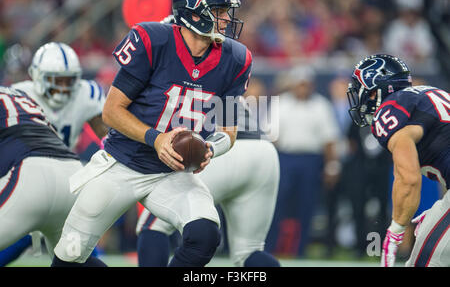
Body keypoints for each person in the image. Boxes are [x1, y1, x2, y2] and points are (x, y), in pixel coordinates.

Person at [51, 0, 252, 267]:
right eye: (219, 11)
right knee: (69, 255)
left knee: (205, 233)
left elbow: (229, 129)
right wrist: (156, 139)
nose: (226, 18)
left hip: (172, 173)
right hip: (123, 163)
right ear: (194, 14)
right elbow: (111, 112)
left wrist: (209, 148)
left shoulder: (235, 59)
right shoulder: (153, 40)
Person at [136, 97, 281, 267]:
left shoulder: (181, 73)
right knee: (249, 251)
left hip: (217, 148)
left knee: (154, 227)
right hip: (262, 150)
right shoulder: (228, 73)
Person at [0, 42, 108, 266]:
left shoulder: (17, 94)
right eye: (56, 79)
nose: (62, 87)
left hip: (29, 180)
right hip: (70, 176)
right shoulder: (21, 95)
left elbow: (109, 137)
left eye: (68, 80)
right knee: (76, 261)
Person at [347, 53, 449, 267]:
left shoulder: (390, 109)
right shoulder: (427, 94)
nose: (361, 98)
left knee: (424, 262)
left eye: (362, 91)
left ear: (377, 90)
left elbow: (408, 179)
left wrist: (395, 231)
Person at [266, 65, 341, 257]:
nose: (303, 88)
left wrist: (332, 166)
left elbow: (329, 140)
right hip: (285, 158)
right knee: (277, 204)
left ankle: (301, 249)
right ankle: (272, 247)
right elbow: (271, 138)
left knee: (306, 204)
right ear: (293, 85)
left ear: (312, 85)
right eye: (300, 84)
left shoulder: (321, 105)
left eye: (306, 84)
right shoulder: (280, 104)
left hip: (311, 160)